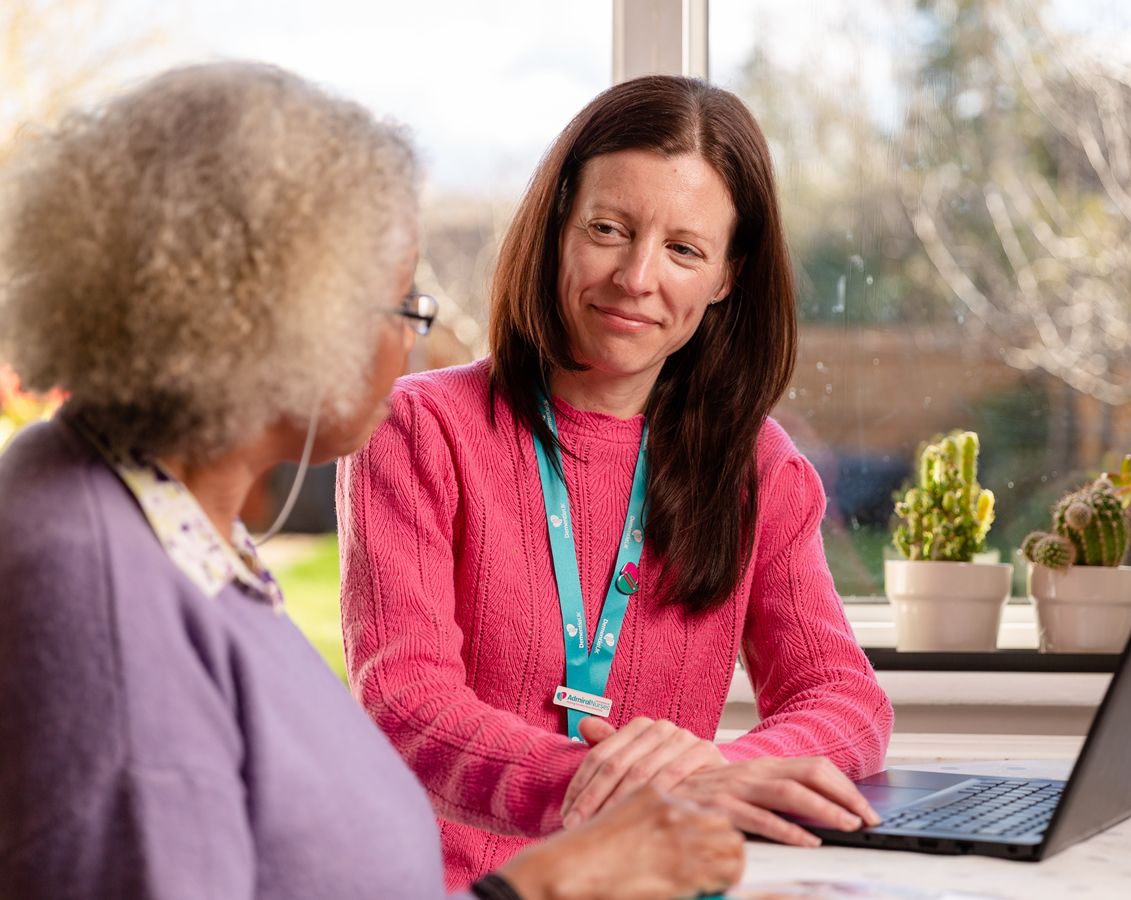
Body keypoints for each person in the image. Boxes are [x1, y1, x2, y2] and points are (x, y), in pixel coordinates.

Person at [0, 62, 745, 900]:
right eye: (402, 305)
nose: (414, 346)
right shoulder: (93, 586)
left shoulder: (163, 522)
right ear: (282, 321)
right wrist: (547, 886)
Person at [337, 74, 895, 890]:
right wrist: (638, 790)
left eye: (684, 249)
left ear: (726, 277)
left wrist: (724, 771)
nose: (637, 277)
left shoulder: (758, 469)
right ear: (559, 225)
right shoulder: (418, 429)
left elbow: (844, 698)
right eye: (609, 228)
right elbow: (405, 703)